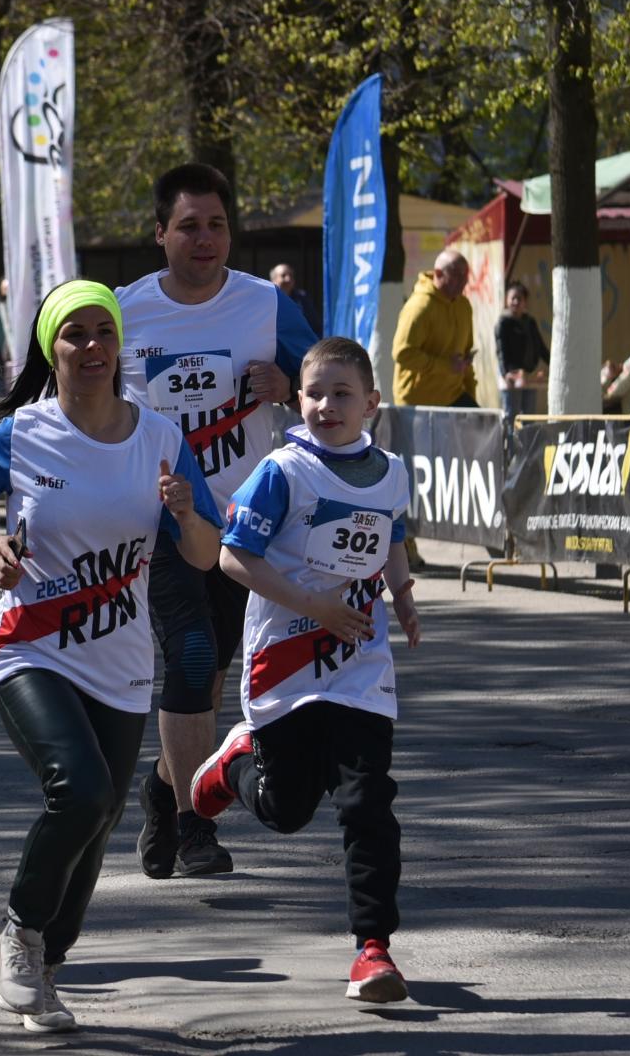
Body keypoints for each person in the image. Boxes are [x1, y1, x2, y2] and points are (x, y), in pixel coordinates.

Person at [0, 280, 222, 1033]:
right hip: (31, 645)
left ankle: (48, 971)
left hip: (123, 659)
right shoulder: (17, 434)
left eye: (105, 332)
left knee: (95, 831)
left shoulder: (160, 438)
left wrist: (188, 514)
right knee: (83, 792)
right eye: (76, 335)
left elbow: (203, 554)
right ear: (50, 348)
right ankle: (19, 934)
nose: (93, 347)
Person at [192, 336, 420, 1003]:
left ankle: (373, 949)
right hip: (286, 659)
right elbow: (235, 559)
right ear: (298, 401)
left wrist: (402, 599)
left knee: (367, 800)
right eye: (315, 393)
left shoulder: (392, 471)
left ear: (372, 404)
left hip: (359, 663)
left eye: (342, 393)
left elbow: (394, 536)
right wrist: (314, 606)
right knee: (286, 809)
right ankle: (232, 764)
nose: (327, 405)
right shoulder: (283, 471)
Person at [116, 162, 317, 880]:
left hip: (248, 525)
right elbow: (77, 408)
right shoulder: (122, 309)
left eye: (218, 225)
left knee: (215, 674)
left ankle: (164, 787)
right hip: (161, 524)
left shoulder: (266, 305)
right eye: (190, 226)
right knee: (192, 658)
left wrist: (290, 388)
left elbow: (338, 393)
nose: (205, 239)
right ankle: (196, 825)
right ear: (161, 233)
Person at [393, 249, 476, 409]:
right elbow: (403, 354)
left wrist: (471, 393)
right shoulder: (419, 307)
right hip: (418, 403)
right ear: (438, 274)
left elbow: (465, 355)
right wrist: (445, 366)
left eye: (466, 275)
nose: (464, 281)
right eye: (457, 275)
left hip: (454, 395)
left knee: (484, 429)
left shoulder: (464, 306)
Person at [494, 281, 549, 425]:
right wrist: (506, 373)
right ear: (507, 300)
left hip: (528, 375)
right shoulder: (503, 323)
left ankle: (526, 446)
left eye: (519, 298)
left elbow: (540, 347)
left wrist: (554, 365)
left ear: (525, 302)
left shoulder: (530, 322)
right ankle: (509, 446)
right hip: (511, 376)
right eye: (512, 298)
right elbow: (501, 351)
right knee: (511, 415)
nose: (515, 302)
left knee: (529, 417)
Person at [270, 263, 321, 333]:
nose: (288, 279)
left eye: (291, 275)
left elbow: (314, 324)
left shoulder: (302, 298)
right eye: (283, 275)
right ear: (273, 280)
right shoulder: (268, 299)